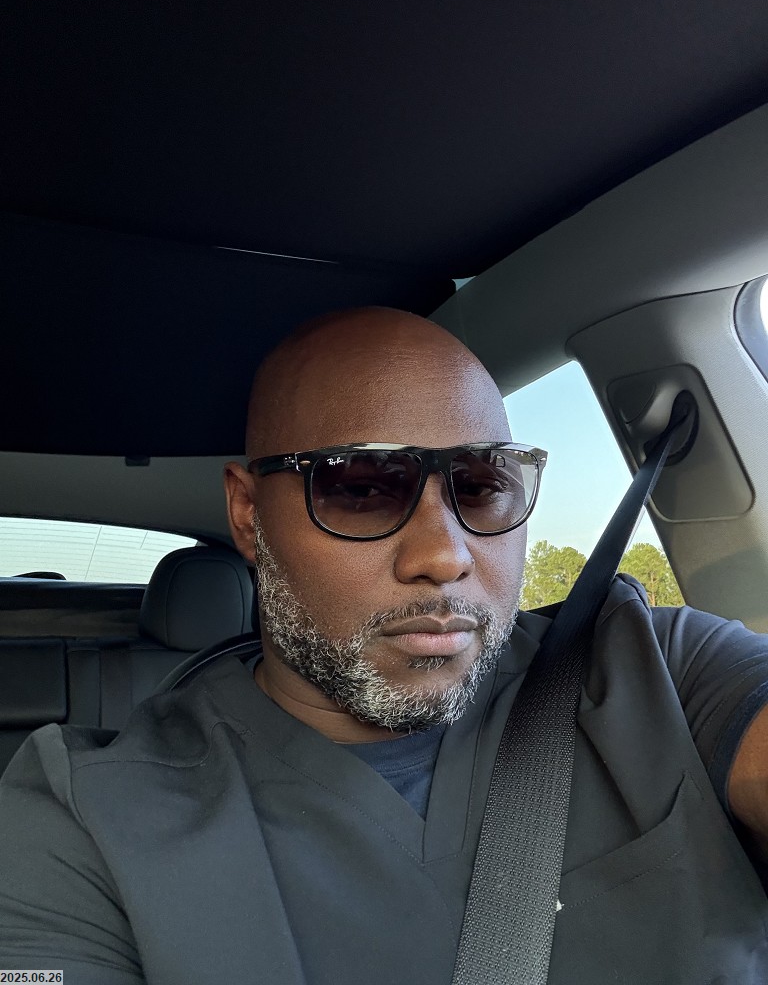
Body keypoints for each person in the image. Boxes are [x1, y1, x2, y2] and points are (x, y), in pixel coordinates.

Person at [1, 306, 768, 984]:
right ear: (247, 516)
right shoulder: (82, 817)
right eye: (361, 488)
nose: (445, 555)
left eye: (481, 485)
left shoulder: (660, 665)